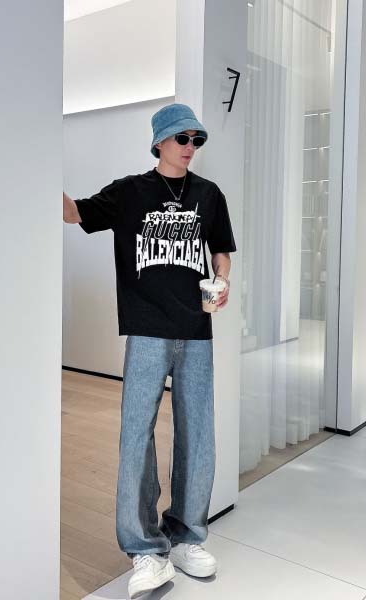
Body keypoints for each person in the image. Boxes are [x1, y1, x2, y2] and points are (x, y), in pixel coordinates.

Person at [63, 102, 237, 599]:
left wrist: (222, 280)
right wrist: (36, 169)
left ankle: (186, 536)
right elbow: (76, 213)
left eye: (197, 139)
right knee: (136, 436)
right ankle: (144, 548)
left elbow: (221, 250)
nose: (190, 147)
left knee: (197, 435)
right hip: (145, 329)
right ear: (159, 141)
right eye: (183, 138)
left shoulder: (209, 194)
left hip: (195, 328)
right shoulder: (130, 191)